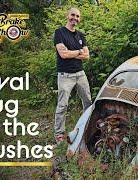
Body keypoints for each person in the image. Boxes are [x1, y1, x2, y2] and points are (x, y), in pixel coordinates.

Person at [53, 7, 91, 145]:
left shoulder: (81, 35)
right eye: (73, 15)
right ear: (67, 15)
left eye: (78, 16)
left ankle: (86, 127)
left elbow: (86, 56)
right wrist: (79, 51)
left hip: (80, 74)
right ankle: (59, 134)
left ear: (79, 19)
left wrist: (73, 52)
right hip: (65, 76)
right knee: (62, 105)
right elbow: (63, 54)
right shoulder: (59, 33)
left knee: (88, 102)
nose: (75, 18)